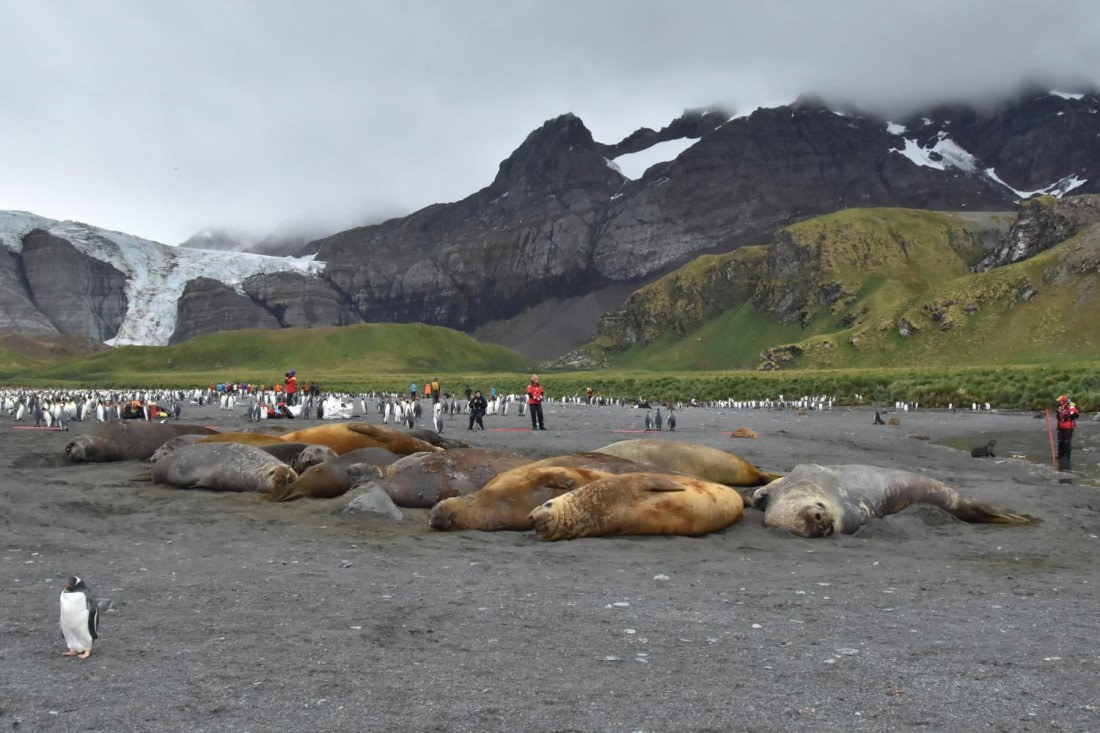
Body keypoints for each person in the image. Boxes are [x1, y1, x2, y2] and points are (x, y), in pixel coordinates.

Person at [1055, 394, 1080, 471]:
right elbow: (1058, 417)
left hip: (1068, 427)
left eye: (1060, 401)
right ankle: (1060, 455)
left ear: (1063, 401)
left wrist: (1073, 414)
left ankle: (1066, 456)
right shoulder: (1060, 408)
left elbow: (1076, 414)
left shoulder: (1070, 406)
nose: (1059, 402)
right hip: (1061, 427)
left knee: (1066, 442)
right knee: (1060, 441)